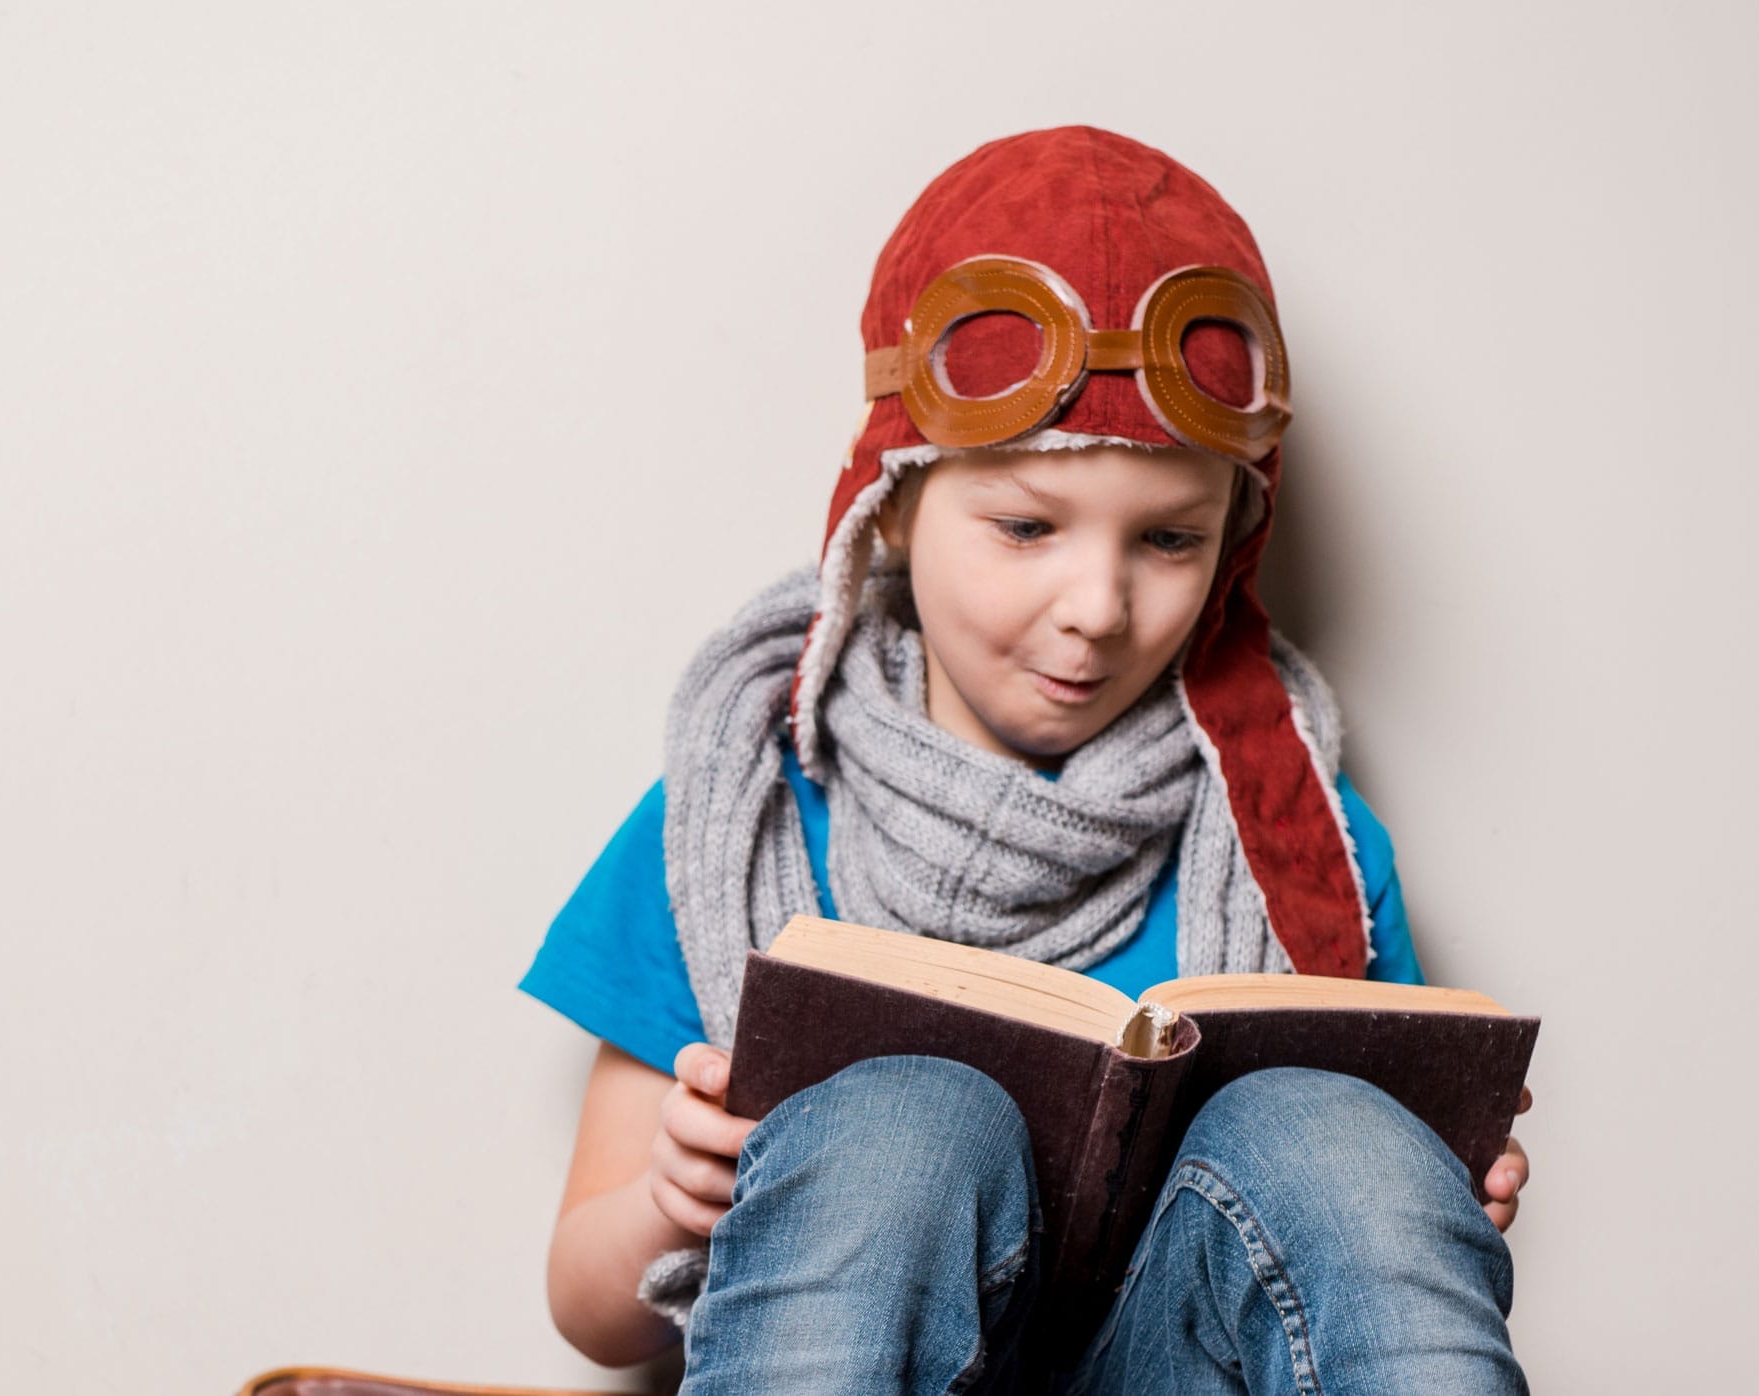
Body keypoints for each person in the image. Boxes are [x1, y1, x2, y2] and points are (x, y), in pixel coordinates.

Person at [519, 126, 1532, 1393]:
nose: (1097, 606)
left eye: (1167, 539)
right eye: (1023, 526)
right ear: (888, 504)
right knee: (900, 1122)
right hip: (833, 1337)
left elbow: (1354, 1231)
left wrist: (1412, 1197)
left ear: (1234, 541)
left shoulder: (1309, 842)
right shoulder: (743, 808)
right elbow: (587, 1309)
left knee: (1339, 1141)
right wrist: (672, 1200)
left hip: (1175, 1355)